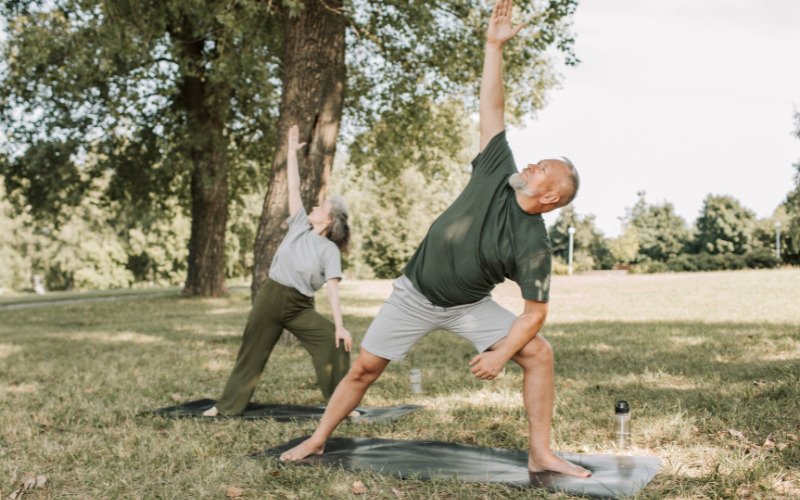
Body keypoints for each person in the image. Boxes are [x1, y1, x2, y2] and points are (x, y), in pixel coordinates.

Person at [280, 0, 589, 478]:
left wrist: (501, 352)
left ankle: (541, 453)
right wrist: (493, 47)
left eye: (541, 169)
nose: (530, 165)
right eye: (534, 161)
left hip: (467, 305)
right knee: (364, 370)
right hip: (415, 294)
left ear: (550, 198)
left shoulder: (533, 244)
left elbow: (535, 314)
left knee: (539, 352)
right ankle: (317, 440)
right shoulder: (496, 169)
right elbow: (492, 105)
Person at [203, 125, 352, 417]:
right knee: (252, 351)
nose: (314, 206)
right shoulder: (298, 224)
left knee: (334, 343)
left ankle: (342, 408)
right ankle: (227, 407)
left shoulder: (329, 251)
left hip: (299, 306)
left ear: (329, 219)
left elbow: (333, 291)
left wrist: (340, 326)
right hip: (271, 297)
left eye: (320, 206)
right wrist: (291, 151)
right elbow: (293, 187)